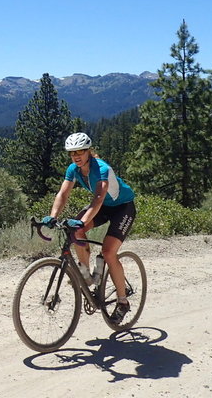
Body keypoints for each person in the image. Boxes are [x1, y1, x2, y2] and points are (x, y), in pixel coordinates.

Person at [41, 132, 136, 324]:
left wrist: (83, 221)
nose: (76, 156)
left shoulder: (101, 169)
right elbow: (63, 194)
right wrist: (52, 217)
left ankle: (123, 301)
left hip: (123, 208)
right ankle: (86, 275)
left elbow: (99, 198)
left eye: (81, 151)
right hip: (102, 207)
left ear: (88, 151)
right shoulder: (73, 169)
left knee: (108, 252)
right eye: (72, 152)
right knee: (75, 231)